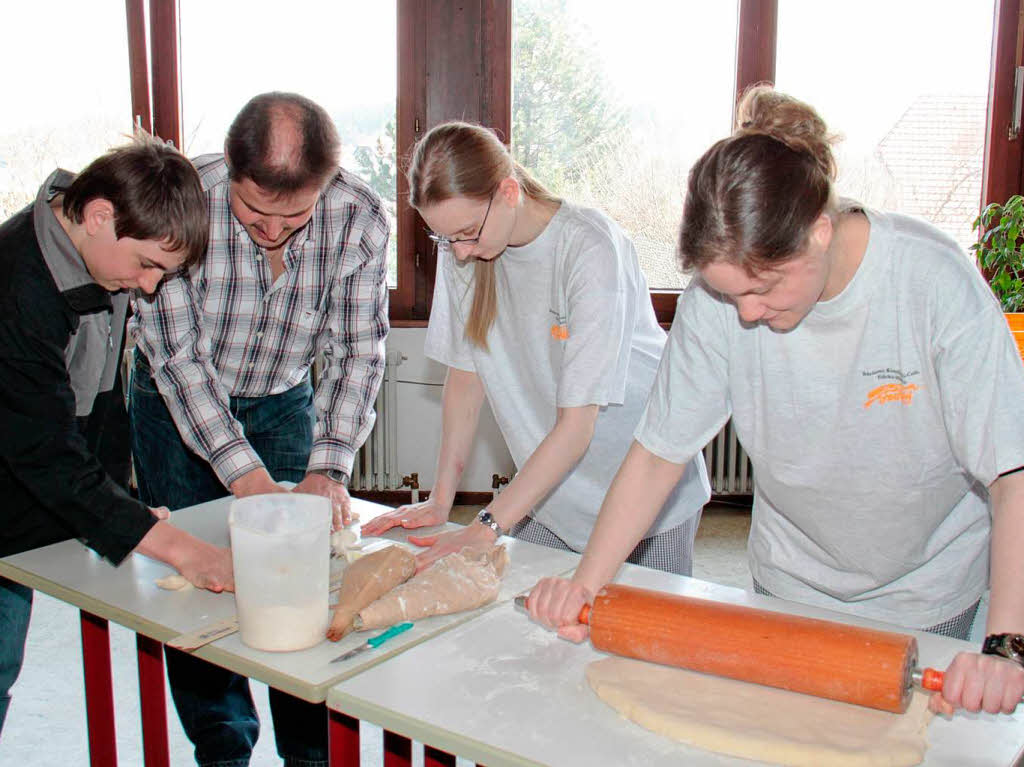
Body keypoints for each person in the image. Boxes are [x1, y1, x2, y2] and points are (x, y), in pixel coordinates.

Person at [526, 85, 1024, 717]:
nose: (749, 313)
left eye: (762, 289)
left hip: (923, 589)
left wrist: (1006, 646)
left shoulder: (931, 281)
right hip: (788, 578)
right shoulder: (719, 299)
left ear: (819, 231)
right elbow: (658, 454)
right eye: (731, 296)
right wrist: (584, 584)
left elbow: (1012, 470)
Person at [127, 92, 389, 767]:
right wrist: (248, 480)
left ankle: (308, 752)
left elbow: (358, 350)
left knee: (299, 578)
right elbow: (180, 360)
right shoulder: (187, 198)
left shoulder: (358, 217)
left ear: (324, 185)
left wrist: (328, 468)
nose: (273, 231)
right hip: (173, 404)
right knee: (195, 583)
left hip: (282, 402)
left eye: (294, 216)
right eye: (254, 214)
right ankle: (222, 745)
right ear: (232, 176)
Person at [362, 121, 710, 578]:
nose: (459, 253)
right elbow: (466, 382)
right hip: (551, 492)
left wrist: (486, 524)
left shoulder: (588, 246)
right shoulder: (465, 249)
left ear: (508, 192)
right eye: (445, 239)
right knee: (527, 626)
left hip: (643, 488)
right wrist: (441, 499)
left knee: (640, 637)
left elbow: (576, 427)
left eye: (466, 233)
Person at [0, 135, 233, 737]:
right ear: (100, 215)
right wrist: (182, 548)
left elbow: (100, 409)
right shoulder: (16, 290)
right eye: (148, 265)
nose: (150, 286)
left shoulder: (96, 264)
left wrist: (122, 509)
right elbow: (44, 453)